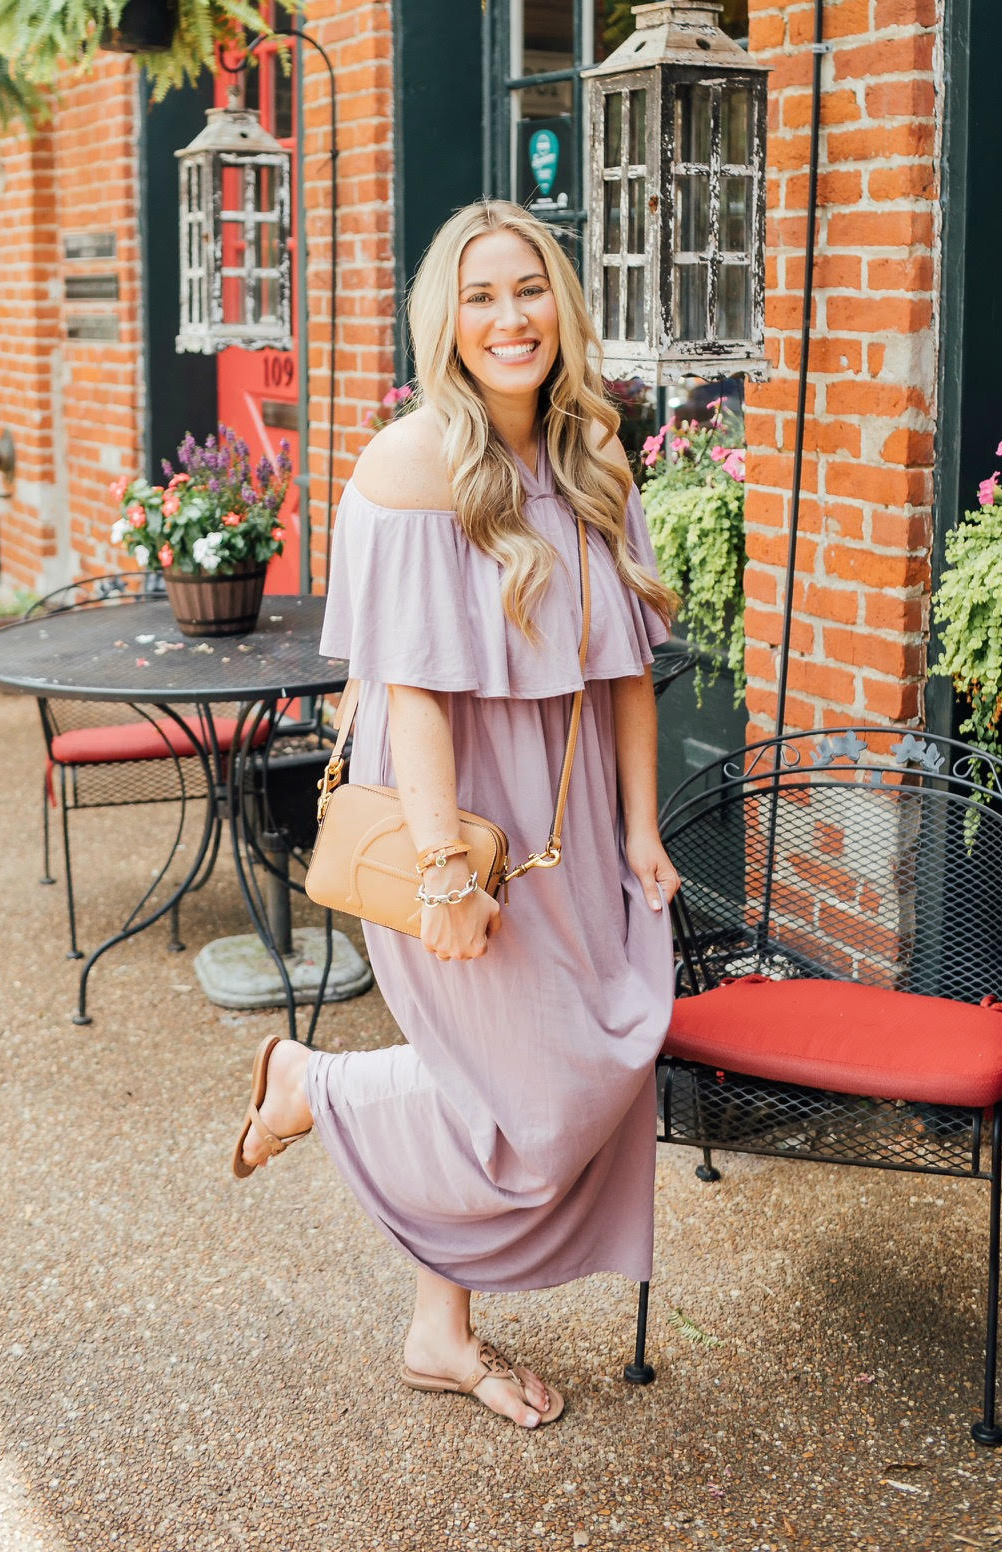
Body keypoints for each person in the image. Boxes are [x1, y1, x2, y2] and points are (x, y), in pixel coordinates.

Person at [233, 200, 681, 1428]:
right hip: (461, 810)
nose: (509, 318)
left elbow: (626, 669)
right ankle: (322, 1089)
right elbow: (413, 690)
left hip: (576, 812)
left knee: (596, 1058)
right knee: (528, 1101)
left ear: (563, 305)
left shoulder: (593, 455)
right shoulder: (411, 462)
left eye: (527, 289)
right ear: (448, 320)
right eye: (480, 296)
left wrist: (641, 828)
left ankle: (439, 1326)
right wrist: (442, 867)